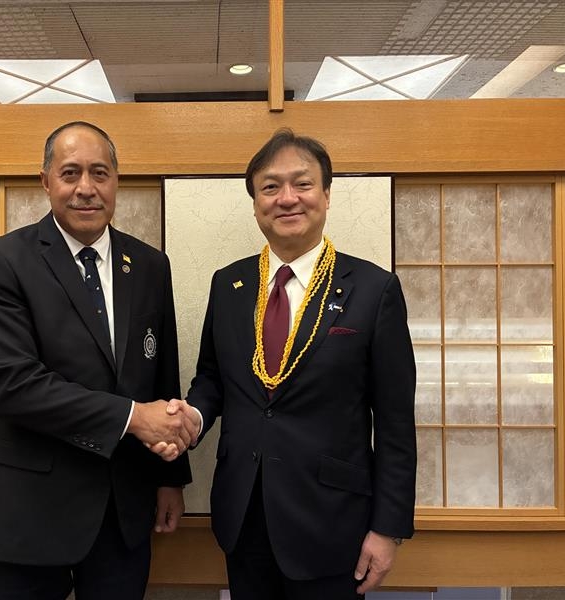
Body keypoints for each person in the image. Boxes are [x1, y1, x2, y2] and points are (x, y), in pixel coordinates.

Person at [165, 128, 417, 599]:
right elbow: (213, 378)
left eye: (302, 184)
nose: (287, 198)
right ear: (255, 203)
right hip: (244, 514)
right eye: (270, 187)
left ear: (326, 194)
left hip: (332, 521)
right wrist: (193, 416)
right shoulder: (230, 284)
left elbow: (396, 422)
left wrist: (388, 529)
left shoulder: (373, 289)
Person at [0, 121, 196, 600]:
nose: (86, 188)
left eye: (100, 173)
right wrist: (134, 418)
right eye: (70, 173)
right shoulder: (1, 262)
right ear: (46, 181)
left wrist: (170, 479)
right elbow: (14, 385)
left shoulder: (149, 265)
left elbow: (162, 373)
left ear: (116, 181)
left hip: (123, 510)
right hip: (29, 511)